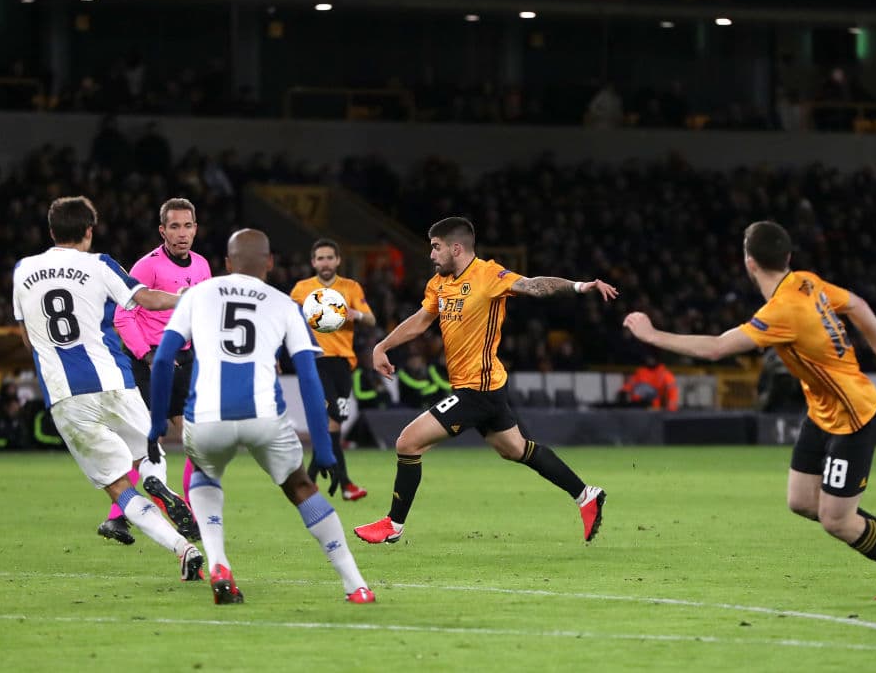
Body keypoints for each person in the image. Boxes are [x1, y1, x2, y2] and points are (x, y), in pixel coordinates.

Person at [622, 220, 876, 601]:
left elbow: (717, 348)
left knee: (836, 520)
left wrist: (652, 335)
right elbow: (857, 304)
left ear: (749, 262)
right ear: (787, 257)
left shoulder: (782, 311)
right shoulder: (806, 281)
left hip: (854, 417)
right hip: (822, 413)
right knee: (802, 501)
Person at [354, 216, 617, 545]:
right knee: (516, 449)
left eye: (436, 248)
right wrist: (382, 345)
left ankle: (393, 524)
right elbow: (422, 320)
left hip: (477, 390)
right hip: (484, 388)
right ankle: (586, 495)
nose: (431, 255)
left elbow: (534, 285)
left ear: (456, 248)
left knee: (408, 442)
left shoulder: (489, 275)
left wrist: (580, 286)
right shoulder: (440, 283)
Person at [149, 229, 374, 605]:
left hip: (206, 418)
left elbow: (161, 361)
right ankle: (356, 585)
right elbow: (308, 379)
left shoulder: (198, 294)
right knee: (301, 486)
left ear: (226, 263)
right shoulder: (285, 304)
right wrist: (323, 448)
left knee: (204, 474)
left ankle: (219, 562)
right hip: (265, 417)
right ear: (269, 263)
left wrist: (158, 423)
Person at [12, 195, 204, 580]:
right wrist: (182, 297)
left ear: (51, 232)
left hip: (66, 395)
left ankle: (182, 549)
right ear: (88, 231)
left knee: (118, 486)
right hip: (115, 380)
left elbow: (28, 340)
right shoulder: (99, 264)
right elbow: (145, 299)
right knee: (151, 453)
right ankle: (156, 480)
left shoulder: (22, 270)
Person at [102, 198, 211, 545]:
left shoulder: (203, 266)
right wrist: (147, 355)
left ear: (196, 228)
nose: (182, 233)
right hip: (150, 361)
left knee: (198, 442)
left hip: (187, 360)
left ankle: (190, 515)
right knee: (147, 443)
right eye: (175, 226)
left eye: (188, 225)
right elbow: (123, 314)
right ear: (162, 230)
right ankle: (118, 517)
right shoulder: (146, 267)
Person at [290, 239, 374, 502]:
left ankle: (309, 480)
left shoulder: (350, 287)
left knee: (335, 424)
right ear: (313, 262)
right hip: (315, 360)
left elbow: (371, 319)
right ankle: (344, 483)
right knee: (332, 418)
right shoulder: (302, 289)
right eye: (320, 258)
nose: (325, 262)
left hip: (343, 364)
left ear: (337, 260)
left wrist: (356, 315)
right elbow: (285, 319)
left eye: (329, 257)